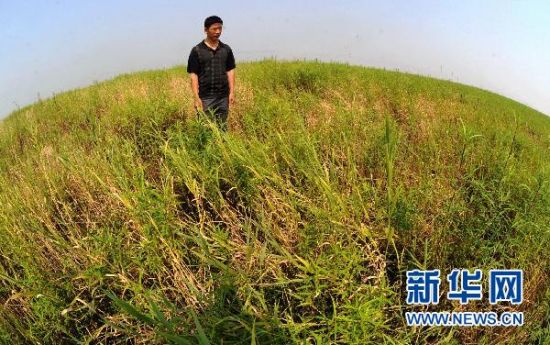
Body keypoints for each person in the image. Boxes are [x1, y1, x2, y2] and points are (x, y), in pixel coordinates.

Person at [187, 15, 236, 130]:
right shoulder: (197, 51)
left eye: (220, 28)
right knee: (204, 129)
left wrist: (232, 92)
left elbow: (230, 71)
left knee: (222, 128)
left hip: (223, 96)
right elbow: (193, 75)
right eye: (214, 29)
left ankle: (222, 147)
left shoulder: (226, 49)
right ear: (205, 30)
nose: (218, 31)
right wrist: (196, 97)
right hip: (205, 97)